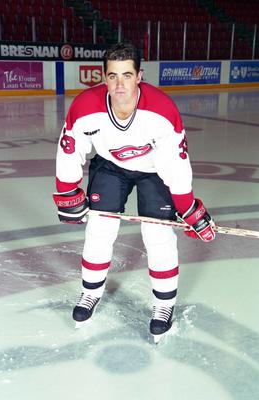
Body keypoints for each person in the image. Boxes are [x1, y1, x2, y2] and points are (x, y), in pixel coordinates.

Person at [53, 42, 215, 342]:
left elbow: (176, 167)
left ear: (139, 76)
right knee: (100, 229)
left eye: (127, 75)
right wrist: (67, 191)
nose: (120, 84)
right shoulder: (85, 107)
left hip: (154, 170)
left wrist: (188, 208)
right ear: (102, 77)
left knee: (157, 235)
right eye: (112, 76)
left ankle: (163, 305)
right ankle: (90, 293)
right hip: (110, 165)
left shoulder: (162, 111)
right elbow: (70, 150)